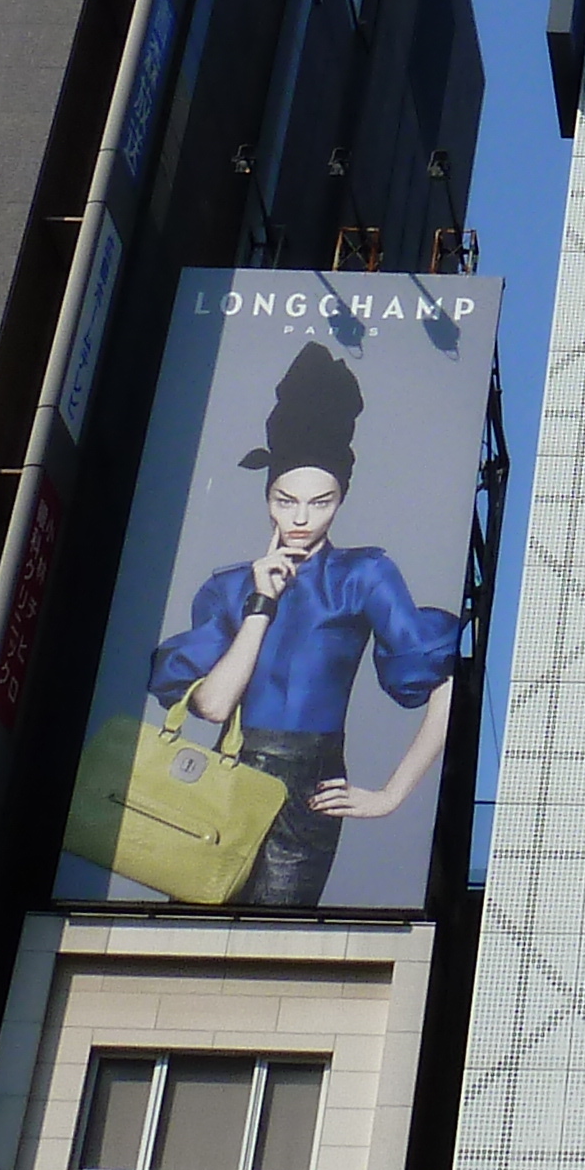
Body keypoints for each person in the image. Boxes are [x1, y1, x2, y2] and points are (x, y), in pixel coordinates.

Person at [145, 343, 460, 908]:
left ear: (342, 499)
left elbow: (445, 679)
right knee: (191, 933)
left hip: (313, 784)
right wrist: (261, 606)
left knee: (271, 947)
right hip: (228, 771)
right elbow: (213, 707)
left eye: (321, 502)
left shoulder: (363, 575)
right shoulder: (229, 586)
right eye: (284, 499)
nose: (299, 518)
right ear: (266, 495)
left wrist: (390, 795)